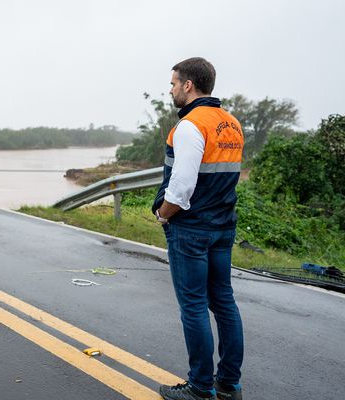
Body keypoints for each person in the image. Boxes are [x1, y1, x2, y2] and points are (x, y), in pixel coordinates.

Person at [153, 57, 245, 400]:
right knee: (224, 302)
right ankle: (228, 384)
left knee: (193, 305)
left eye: (174, 83)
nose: (172, 89)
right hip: (223, 227)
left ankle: (200, 387)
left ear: (189, 85)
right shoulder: (231, 123)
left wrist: (164, 214)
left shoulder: (191, 125)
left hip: (192, 229)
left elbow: (182, 185)